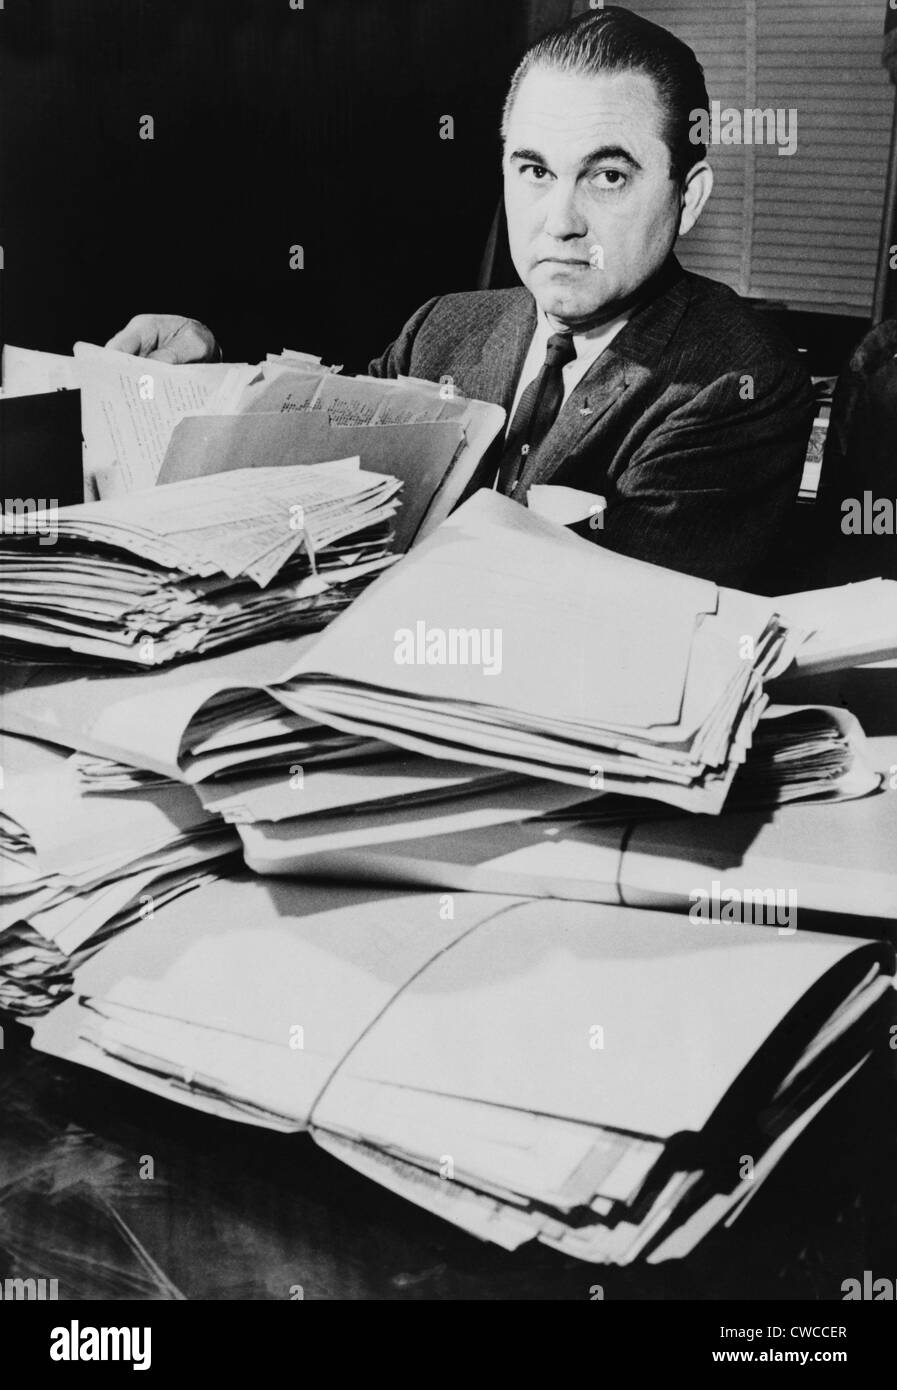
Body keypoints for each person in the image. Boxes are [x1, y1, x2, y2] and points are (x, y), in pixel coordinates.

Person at [106, 6, 814, 590]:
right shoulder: (444, 327)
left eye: (605, 178)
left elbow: (604, 621)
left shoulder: (737, 381)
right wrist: (211, 378)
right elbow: (315, 458)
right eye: (534, 170)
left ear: (686, 200)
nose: (559, 220)